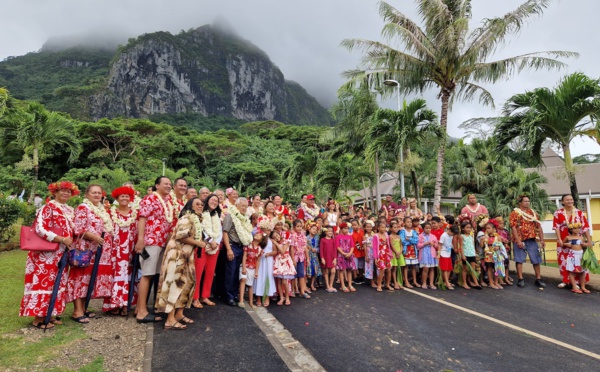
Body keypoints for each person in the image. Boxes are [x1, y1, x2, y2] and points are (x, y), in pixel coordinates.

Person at [20, 181, 79, 330]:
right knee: (44, 281)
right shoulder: (47, 208)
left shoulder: (67, 210)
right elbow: (39, 228)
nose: (66, 194)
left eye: (68, 192)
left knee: (57, 282)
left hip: (61, 253)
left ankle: (50, 313)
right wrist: (61, 239)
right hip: (45, 254)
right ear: (55, 192)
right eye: (62, 191)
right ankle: (38, 318)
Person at [155, 197, 205, 330]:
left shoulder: (197, 219)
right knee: (175, 284)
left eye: (201, 204)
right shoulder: (186, 218)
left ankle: (179, 314)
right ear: (190, 206)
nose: (200, 206)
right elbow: (181, 236)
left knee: (187, 284)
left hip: (188, 255)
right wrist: (198, 243)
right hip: (177, 255)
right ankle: (169, 320)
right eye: (197, 204)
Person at [69, 184, 115, 323]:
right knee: (81, 278)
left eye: (99, 193)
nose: (96, 195)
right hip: (86, 248)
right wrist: (95, 237)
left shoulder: (101, 209)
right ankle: (77, 311)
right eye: (93, 193)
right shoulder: (83, 208)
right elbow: (78, 228)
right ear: (87, 194)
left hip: (98, 250)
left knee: (89, 278)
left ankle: (84, 307)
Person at [135, 176, 174, 323]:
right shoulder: (150, 199)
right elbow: (142, 218)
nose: (169, 186)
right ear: (157, 185)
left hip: (162, 243)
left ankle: (141, 308)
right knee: (146, 274)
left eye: (170, 184)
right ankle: (141, 312)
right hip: (150, 241)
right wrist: (140, 239)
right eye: (166, 184)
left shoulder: (168, 201)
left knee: (152, 275)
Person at [103, 186, 138, 315]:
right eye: (122, 196)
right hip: (115, 249)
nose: (124, 198)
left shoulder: (135, 213)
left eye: (127, 196)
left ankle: (126, 304)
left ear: (130, 198)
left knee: (128, 275)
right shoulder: (110, 213)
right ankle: (114, 304)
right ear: (117, 198)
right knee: (115, 274)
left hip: (130, 249)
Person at [553, 194, 591, 289]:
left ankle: (578, 282)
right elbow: (556, 227)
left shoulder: (579, 213)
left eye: (571, 199)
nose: (570, 201)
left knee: (578, 261)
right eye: (567, 200)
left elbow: (585, 228)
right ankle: (565, 281)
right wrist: (559, 239)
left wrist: (589, 240)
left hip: (577, 241)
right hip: (564, 240)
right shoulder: (558, 213)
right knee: (564, 261)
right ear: (562, 202)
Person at [192, 194, 222, 308]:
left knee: (210, 272)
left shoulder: (216, 215)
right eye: (212, 200)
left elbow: (219, 230)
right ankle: (195, 298)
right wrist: (210, 240)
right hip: (203, 245)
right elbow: (200, 228)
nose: (214, 202)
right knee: (198, 272)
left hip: (215, 247)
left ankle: (205, 296)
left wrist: (217, 242)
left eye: (216, 201)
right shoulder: (201, 213)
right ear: (207, 200)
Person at [509, 195, 546, 288]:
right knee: (519, 260)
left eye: (528, 201)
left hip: (532, 239)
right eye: (525, 201)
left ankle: (538, 279)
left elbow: (539, 226)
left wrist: (542, 239)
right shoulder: (515, 213)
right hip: (520, 239)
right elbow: (513, 227)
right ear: (520, 203)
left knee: (536, 260)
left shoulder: (532, 213)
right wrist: (518, 241)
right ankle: (520, 279)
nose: (527, 203)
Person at [222, 197, 253, 306]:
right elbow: (225, 232)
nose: (244, 208)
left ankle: (234, 294)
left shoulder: (244, 219)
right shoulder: (230, 216)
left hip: (241, 247)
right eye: (242, 206)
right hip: (232, 246)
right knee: (230, 272)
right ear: (236, 206)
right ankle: (228, 296)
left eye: (246, 206)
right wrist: (229, 249)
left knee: (236, 273)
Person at [561, 223, 590, 294]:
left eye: (579, 228)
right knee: (572, 271)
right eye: (575, 228)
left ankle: (583, 287)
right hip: (572, 255)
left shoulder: (582, 238)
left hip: (580, 256)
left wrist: (585, 245)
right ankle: (574, 287)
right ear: (571, 229)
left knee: (582, 271)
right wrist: (565, 244)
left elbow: (585, 246)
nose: (577, 230)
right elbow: (562, 244)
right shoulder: (568, 237)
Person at [239, 230, 264, 308]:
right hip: (245, 265)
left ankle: (251, 302)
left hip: (252, 267)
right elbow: (244, 256)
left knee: (250, 284)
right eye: (256, 234)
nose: (257, 235)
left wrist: (256, 272)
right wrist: (243, 267)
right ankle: (241, 300)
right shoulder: (248, 245)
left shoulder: (260, 249)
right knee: (243, 280)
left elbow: (258, 261)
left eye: (259, 235)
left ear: (261, 240)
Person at [480, 220, 508, 290]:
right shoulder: (485, 237)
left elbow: (501, 245)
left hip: (496, 255)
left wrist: (498, 247)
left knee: (496, 268)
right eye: (486, 228)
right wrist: (482, 240)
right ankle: (491, 283)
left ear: (493, 229)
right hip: (488, 255)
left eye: (489, 228)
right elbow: (481, 246)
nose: (487, 230)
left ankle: (496, 282)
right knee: (489, 268)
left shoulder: (497, 237)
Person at [255, 219, 276, 307]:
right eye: (267, 230)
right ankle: (258, 297)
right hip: (260, 261)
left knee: (268, 276)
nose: (268, 231)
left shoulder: (272, 241)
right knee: (259, 277)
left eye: (269, 230)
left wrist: (269, 253)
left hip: (268, 260)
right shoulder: (259, 239)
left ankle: (267, 296)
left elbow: (275, 251)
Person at [272, 229, 296, 306]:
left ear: (279, 234)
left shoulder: (286, 241)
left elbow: (282, 251)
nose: (276, 237)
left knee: (284, 281)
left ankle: (287, 297)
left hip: (285, 261)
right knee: (279, 281)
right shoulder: (276, 243)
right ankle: (281, 297)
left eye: (277, 235)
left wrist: (275, 243)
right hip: (278, 261)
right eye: (274, 237)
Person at [290, 220, 310, 298]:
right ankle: (293, 290)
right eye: (297, 226)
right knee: (293, 275)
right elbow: (291, 248)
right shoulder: (292, 235)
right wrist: (292, 259)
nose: (299, 228)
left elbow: (305, 248)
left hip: (301, 257)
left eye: (300, 226)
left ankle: (302, 291)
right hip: (294, 256)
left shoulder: (303, 235)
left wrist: (307, 258)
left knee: (301, 274)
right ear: (294, 227)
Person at [335, 222, 356, 293]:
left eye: (347, 229)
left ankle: (350, 284)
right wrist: (343, 253)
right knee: (341, 270)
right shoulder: (338, 237)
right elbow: (337, 247)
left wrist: (350, 253)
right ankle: (343, 285)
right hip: (341, 255)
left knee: (349, 270)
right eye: (345, 228)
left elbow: (352, 246)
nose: (346, 230)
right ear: (341, 229)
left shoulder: (350, 236)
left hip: (349, 254)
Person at [458, 222, 480, 290]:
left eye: (470, 228)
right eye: (467, 227)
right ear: (463, 228)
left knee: (472, 269)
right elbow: (461, 246)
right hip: (466, 254)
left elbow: (472, 245)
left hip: (472, 254)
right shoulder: (461, 236)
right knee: (465, 269)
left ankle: (476, 282)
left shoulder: (471, 236)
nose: (469, 229)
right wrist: (463, 255)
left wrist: (475, 253)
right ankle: (464, 283)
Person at [417, 222, 439, 289]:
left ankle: (431, 283)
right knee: (425, 268)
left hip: (431, 254)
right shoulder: (420, 236)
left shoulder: (433, 236)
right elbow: (418, 245)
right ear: (423, 228)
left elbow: (437, 245)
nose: (428, 229)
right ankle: (424, 282)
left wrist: (433, 244)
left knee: (432, 268)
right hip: (424, 254)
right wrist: (425, 243)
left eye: (429, 228)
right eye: (426, 228)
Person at [373, 221, 393, 292]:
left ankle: (387, 284)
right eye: (382, 227)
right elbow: (375, 248)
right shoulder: (376, 236)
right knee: (382, 270)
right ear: (378, 228)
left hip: (386, 253)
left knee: (388, 270)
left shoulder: (386, 235)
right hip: (380, 254)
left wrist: (390, 253)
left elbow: (388, 245)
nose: (383, 228)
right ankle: (379, 284)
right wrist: (375, 258)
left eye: (384, 227)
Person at [401, 217, 420, 288]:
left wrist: (409, 239)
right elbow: (403, 241)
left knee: (413, 266)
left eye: (410, 222)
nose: (409, 223)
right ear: (404, 223)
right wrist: (410, 240)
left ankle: (414, 281)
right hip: (406, 250)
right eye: (407, 222)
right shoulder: (402, 231)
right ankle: (406, 281)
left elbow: (416, 241)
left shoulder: (414, 231)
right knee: (406, 266)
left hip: (413, 250)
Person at [439, 225, 458, 290]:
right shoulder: (443, 235)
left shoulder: (451, 236)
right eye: (452, 233)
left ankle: (445, 281)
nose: (452, 235)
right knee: (445, 269)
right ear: (449, 230)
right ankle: (447, 282)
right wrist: (438, 254)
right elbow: (440, 244)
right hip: (443, 253)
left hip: (448, 253)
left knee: (449, 268)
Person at [319, 226, 337, 293]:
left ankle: (331, 285)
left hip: (332, 257)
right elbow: (321, 249)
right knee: (326, 272)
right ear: (325, 232)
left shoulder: (333, 240)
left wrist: (335, 258)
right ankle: (327, 286)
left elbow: (335, 249)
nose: (330, 232)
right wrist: (322, 258)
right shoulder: (323, 240)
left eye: (331, 231)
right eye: (329, 231)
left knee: (333, 271)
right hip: (326, 257)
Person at [306, 223, 322, 291]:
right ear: (309, 229)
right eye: (313, 229)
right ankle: (305, 285)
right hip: (308, 255)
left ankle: (312, 284)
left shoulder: (317, 238)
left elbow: (319, 247)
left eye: (316, 229)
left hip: (314, 255)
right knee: (308, 269)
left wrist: (316, 250)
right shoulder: (306, 238)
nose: (314, 231)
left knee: (315, 270)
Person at [389, 221, 405, 290]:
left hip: (399, 253)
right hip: (394, 253)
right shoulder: (390, 236)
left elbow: (401, 245)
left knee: (400, 268)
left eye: (397, 227)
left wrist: (400, 252)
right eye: (394, 227)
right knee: (394, 269)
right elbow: (392, 246)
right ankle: (395, 282)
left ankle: (399, 282)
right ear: (391, 228)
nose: (396, 229)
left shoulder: (399, 236)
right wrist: (396, 253)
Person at [350, 219, 365, 284]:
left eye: (355, 225)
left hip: (362, 251)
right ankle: (355, 277)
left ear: (358, 225)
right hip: (355, 251)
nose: (354, 226)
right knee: (355, 265)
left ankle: (361, 276)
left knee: (361, 265)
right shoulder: (351, 233)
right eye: (352, 225)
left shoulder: (362, 232)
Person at [362, 221, 376, 287]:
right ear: (365, 228)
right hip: (369, 252)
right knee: (370, 268)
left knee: (376, 267)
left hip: (375, 252)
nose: (369, 228)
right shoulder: (365, 236)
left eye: (370, 227)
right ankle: (372, 282)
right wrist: (366, 255)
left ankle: (377, 280)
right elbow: (364, 246)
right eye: (367, 227)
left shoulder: (375, 235)